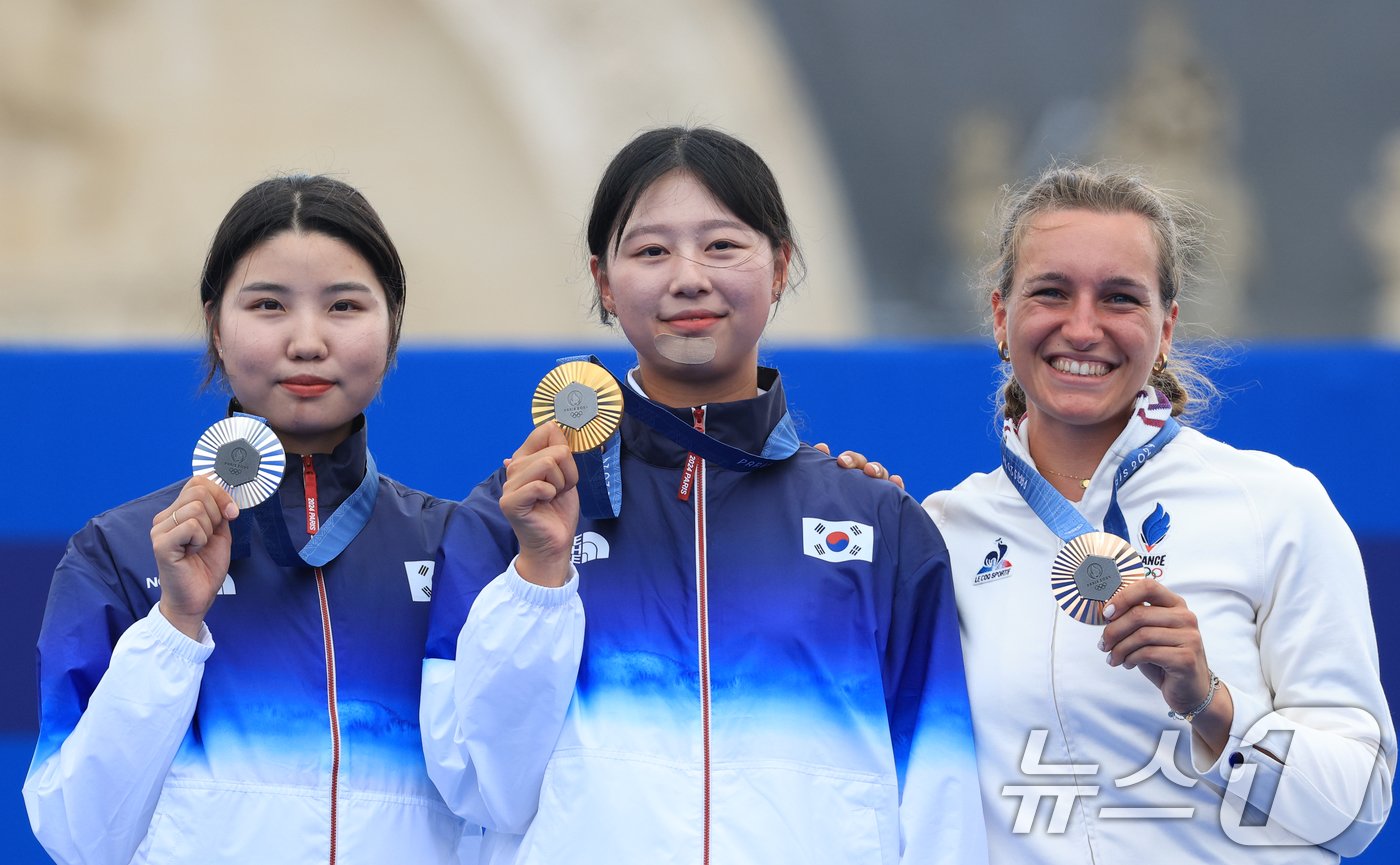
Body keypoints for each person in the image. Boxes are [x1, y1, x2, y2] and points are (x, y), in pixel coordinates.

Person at [420, 126, 986, 864]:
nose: (689, 277)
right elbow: (481, 790)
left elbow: (940, 796)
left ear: (780, 265)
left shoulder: (878, 522)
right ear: (603, 280)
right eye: (652, 250)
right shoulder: (512, 514)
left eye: (722, 245)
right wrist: (539, 576)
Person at [920, 164, 1395, 861]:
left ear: (1166, 326)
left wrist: (1212, 701)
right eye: (1051, 292)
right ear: (1001, 315)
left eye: (1119, 298)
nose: (1082, 328)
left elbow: (1358, 811)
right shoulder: (943, 532)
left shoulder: (1274, 505)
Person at [23, 176, 474, 864]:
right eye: (267, 305)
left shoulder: (458, 548)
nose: (307, 340)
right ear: (215, 325)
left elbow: (504, 795)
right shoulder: (115, 553)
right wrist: (174, 625)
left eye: (345, 305)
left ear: (392, 328)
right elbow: (79, 835)